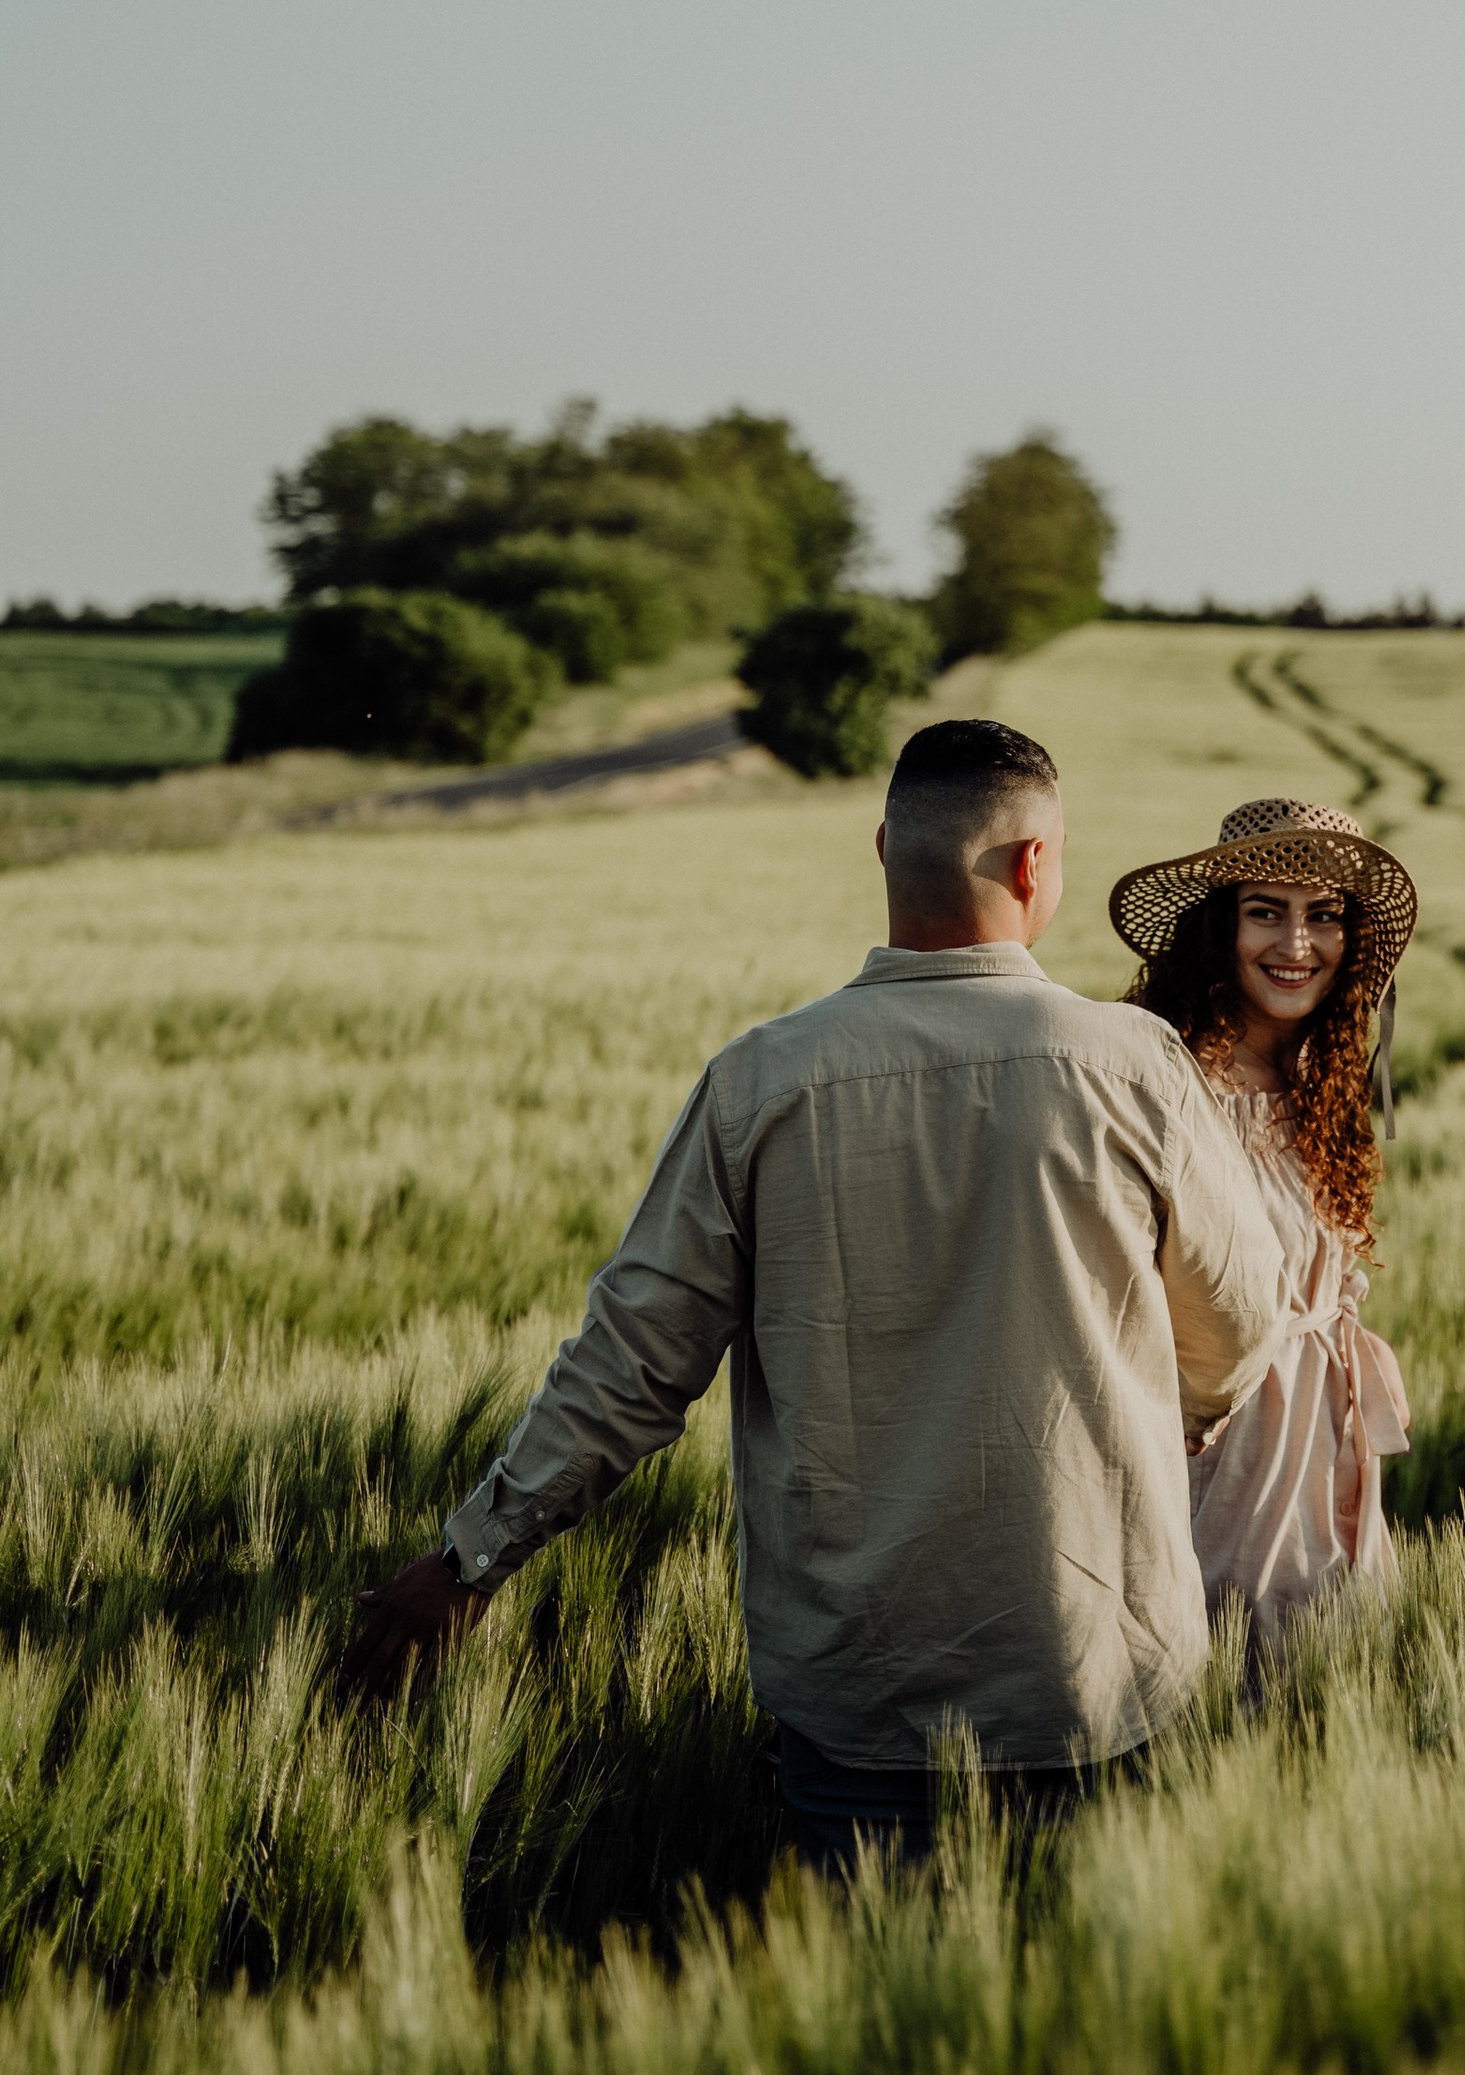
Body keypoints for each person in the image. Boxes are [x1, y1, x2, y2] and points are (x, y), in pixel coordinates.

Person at [342, 718, 1289, 1867]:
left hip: (860, 1696)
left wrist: (465, 1562)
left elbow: (629, 1366)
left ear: (885, 846)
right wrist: (1149, 1418)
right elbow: (1239, 1326)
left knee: (869, 2017)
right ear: (1036, 864)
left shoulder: (761, 1081)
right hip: (1095, 1672)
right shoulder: (1134, 1064)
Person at [1109, 795, 1417, 1659]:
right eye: (1265, 913)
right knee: (1230, 1670)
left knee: (1332, 1678)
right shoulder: (1170, 1080)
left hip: (1326, 1443)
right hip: (1220, 1446)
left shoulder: (1321, 1077)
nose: (1295, 945)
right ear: (1219, 928)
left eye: (1323, 916)